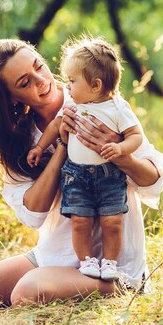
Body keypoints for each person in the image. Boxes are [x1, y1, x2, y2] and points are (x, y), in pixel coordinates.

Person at [0, 39, 163, 312]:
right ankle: (54, 283)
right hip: (54, 258)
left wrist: (119, 154)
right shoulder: (19, 139)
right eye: (25, 83)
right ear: (12, 98)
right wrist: (62, 146)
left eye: (39, 66)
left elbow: (153, 183)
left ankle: (126, 286)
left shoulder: (101, 102)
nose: (41, 81)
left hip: (112, 266)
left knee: (27, 291)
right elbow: (33, 214)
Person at [27, 37, 143, 281]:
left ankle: (110, 263)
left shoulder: (117, 108)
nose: (66, 87)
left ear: (96, 85)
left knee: (112, 222)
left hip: (109, 178)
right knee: (80, 221)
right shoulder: (74, 105)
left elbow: (136, 136)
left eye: (72, 81)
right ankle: (86, 261)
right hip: (76, 176)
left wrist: (121, 149)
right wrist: (39, 147)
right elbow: (56, 126)